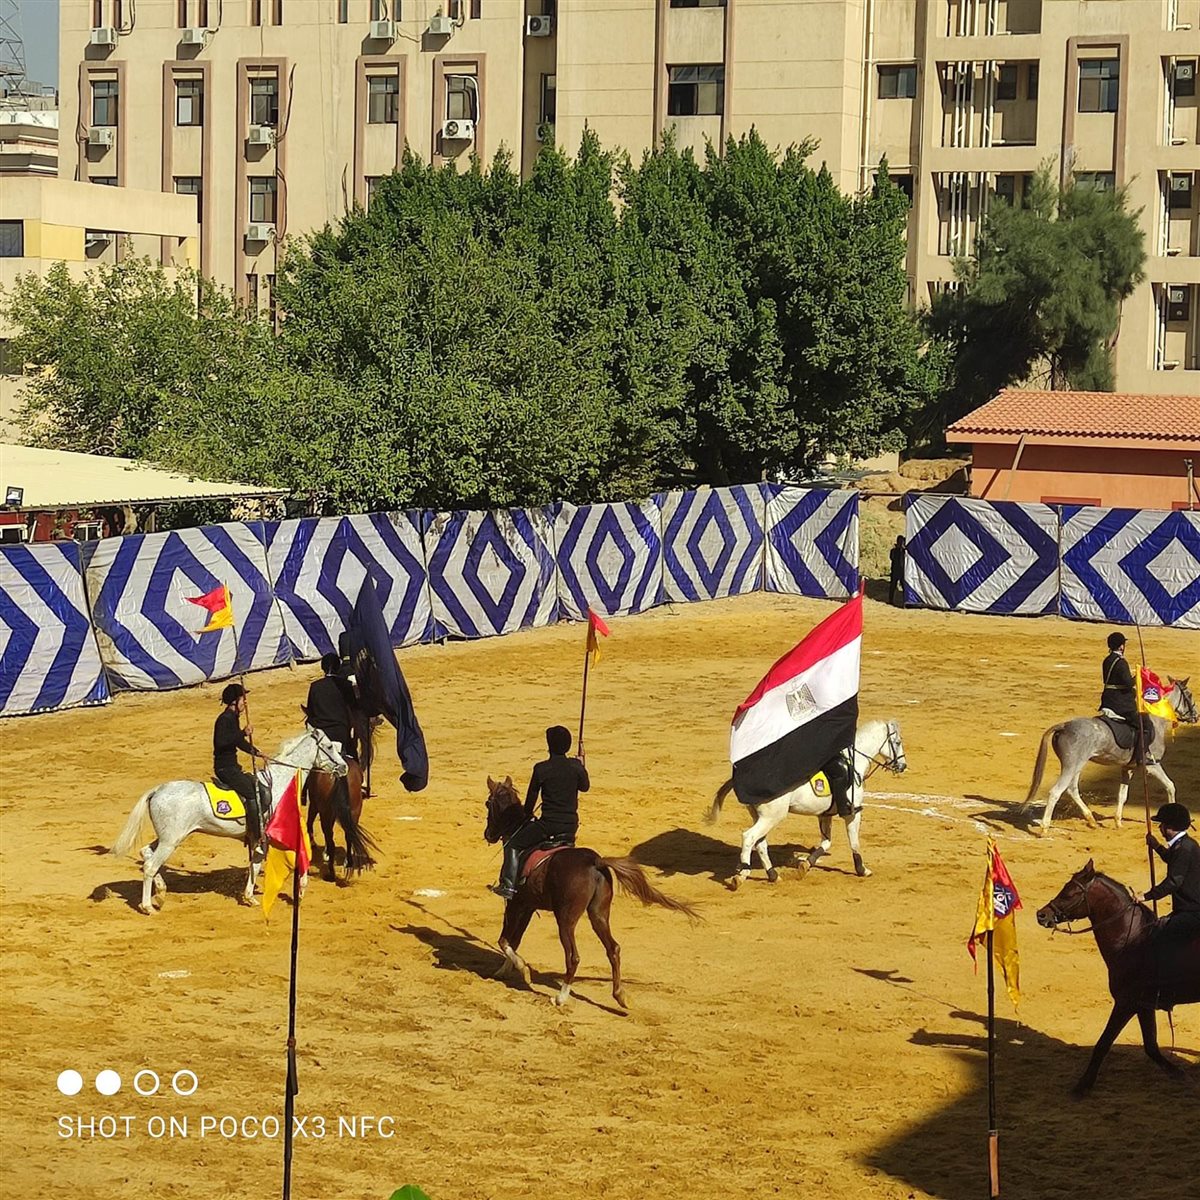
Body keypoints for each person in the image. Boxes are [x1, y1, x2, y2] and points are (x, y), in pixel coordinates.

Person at [491, 725, 590, 900]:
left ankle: (508, 885)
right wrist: (582, 765)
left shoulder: (541, 769)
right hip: (571, 827)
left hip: (548, 826)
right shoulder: (575, 766)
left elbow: (530, 804)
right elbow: (585, 786)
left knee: (513, 843)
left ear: (549, 745)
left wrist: (526, 816)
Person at [213, 682, 266, 847]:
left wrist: (256, 752)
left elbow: (238, 742)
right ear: (234, 702)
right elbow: (221, 742)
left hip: (232, 766)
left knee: (254, 785)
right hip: (225, 768)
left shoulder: (233, 718)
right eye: (243, 699)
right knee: (251, 793)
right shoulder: (225, 719)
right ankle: (256, 835)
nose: (245, 702)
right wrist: (242, 732)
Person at [1099, 631, 1149, 765]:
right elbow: (1128, 683)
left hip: (1107, 700)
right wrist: (1139, 675)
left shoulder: (1107, 660)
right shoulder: (1121, 662)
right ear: (1121, 646)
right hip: (1121, 704)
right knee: (1145, 725)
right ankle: (1140, 757)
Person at [304, 652, 358, 761]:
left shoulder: (315, 686)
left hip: (321, 734)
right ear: (338, 668)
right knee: (353, 757)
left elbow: (311, 712)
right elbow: (354, 710)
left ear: (323, 668)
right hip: (341, 733)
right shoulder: (346, 685)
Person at [888, 536, 906, 607]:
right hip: (895, 570)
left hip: (902, 572)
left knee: (904, 587)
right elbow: (891, 557)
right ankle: (890, 600)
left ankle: (905, 601)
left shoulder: (904, 551)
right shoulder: (894, 551)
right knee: (893, 586)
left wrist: (903, 550)